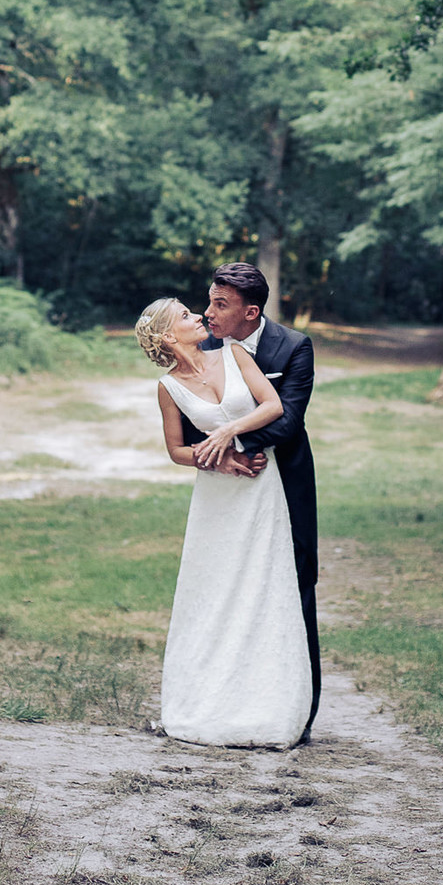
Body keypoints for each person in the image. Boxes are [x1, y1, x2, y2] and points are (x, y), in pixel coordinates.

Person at [135, 297, 312, 748]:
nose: (199, 316)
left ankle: (269, 707)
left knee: (264, 587)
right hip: (216, 499)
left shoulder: (233, 353)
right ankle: (205, 702)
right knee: (212, 596)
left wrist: (229, 433)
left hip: (261, 491)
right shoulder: (168, 387)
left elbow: (273, 406)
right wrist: (219, 461)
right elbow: (176, 450)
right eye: (186, 315)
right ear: (168, 336)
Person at [187, 263, 320, 734]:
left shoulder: (294, 347)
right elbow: (190, 426)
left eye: (220, 305)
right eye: (209, 301)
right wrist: (222, 458)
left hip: (286, 482)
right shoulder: (202, 349)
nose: (208, 313)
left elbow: (289, 421)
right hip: (228, 489)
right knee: (227, 589)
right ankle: (224, 702)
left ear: (251, 311)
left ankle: (300, 710)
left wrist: (235, 440)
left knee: (297, 582)